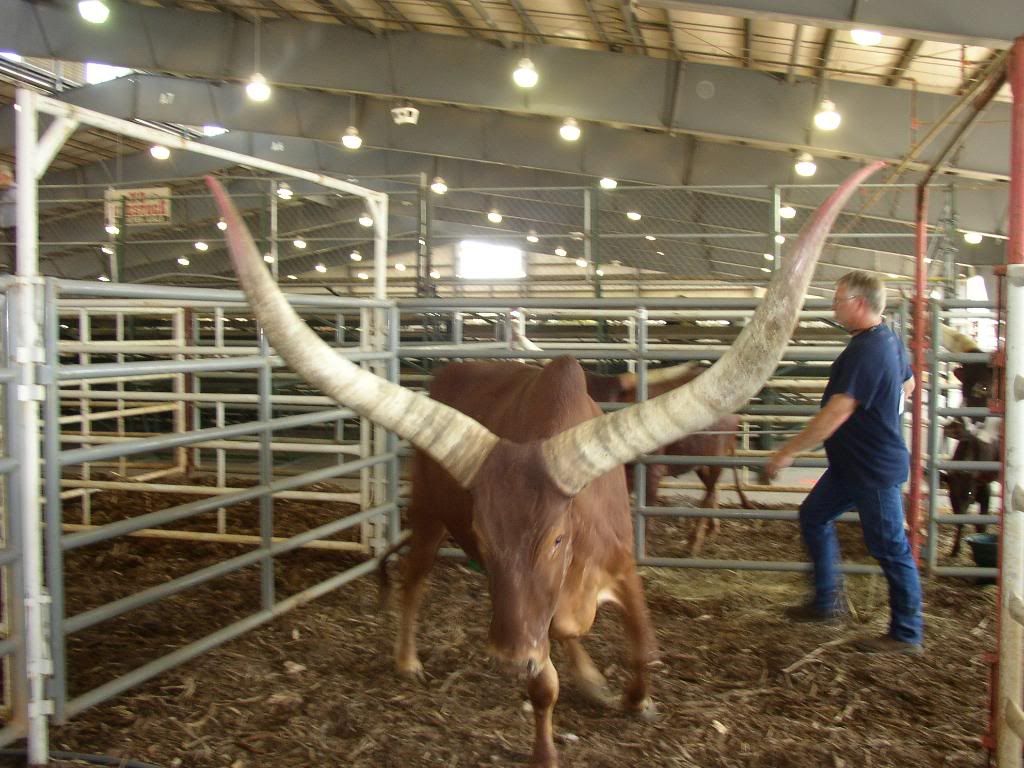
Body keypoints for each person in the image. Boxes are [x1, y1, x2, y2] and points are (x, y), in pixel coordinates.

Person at [765, 270, 923, 655]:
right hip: (852, 467)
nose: (834, 308)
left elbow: (835, 414)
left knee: (890, 548)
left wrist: (788, 451)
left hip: (872, 470)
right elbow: (910, 384)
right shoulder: (887, 340)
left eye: (838, 301)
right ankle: (825, 603)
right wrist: (885, 410)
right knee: (814, 516)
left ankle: (907, 633)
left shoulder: (867, 351)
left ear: (859, 304)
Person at [0, 162, 15, 272]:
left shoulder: (18, 190)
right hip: (5, 227)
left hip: (18, 227)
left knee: (16, 251)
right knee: (9, 251)